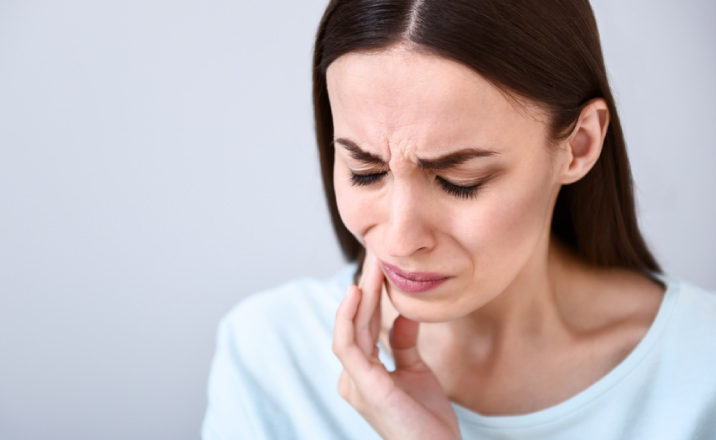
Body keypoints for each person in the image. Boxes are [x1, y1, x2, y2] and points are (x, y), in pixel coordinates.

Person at [202, 0, 716, 438]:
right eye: (364, 171)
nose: (401, 240)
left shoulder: (701, 372)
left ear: (579, 146)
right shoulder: (269, 356)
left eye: (459, 181)